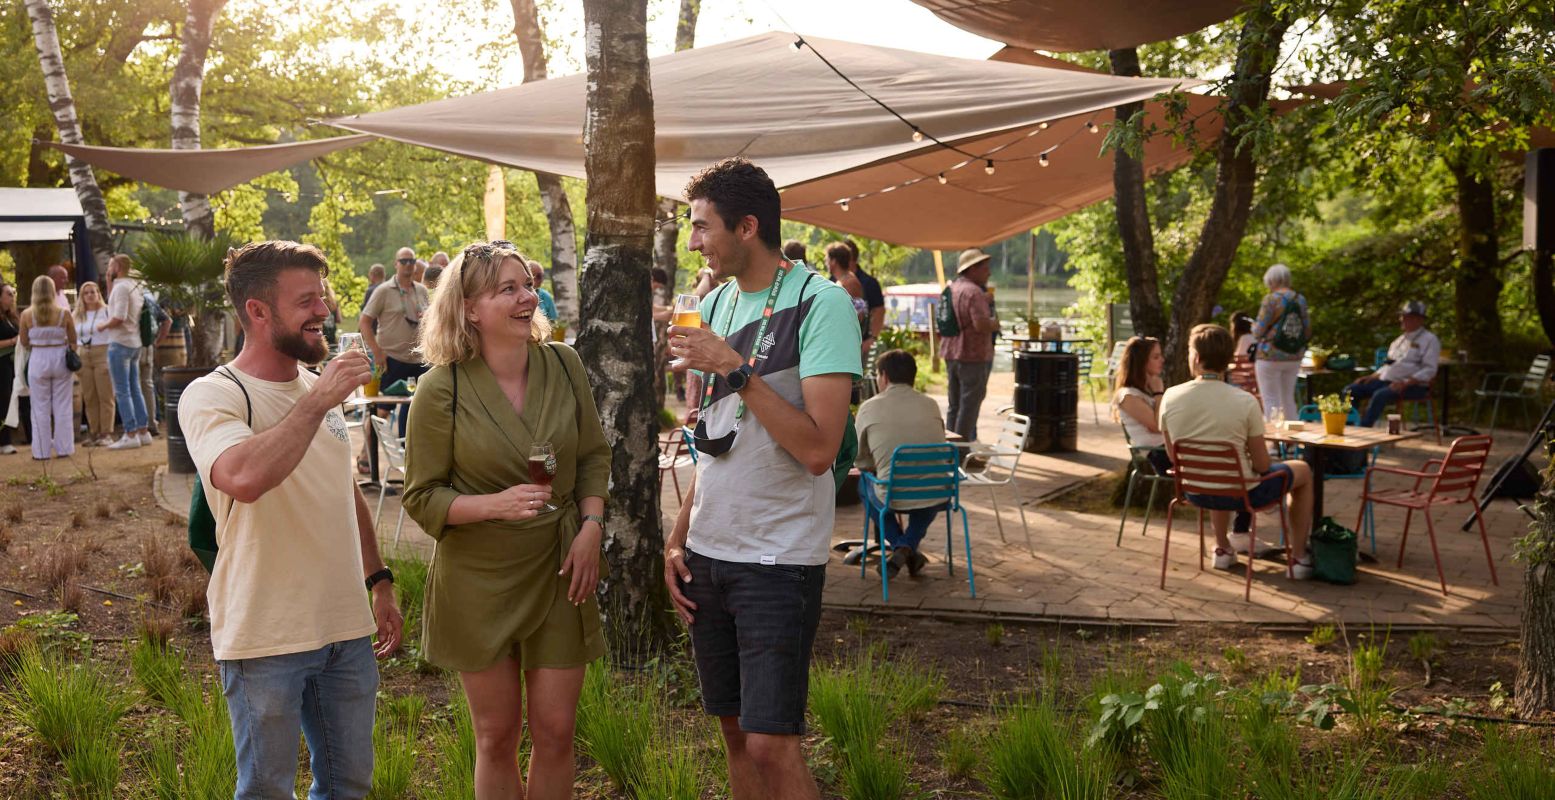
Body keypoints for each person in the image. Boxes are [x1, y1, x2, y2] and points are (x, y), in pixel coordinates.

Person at [664, 157, 861, 800]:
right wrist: (678, 535)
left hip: (777, 558)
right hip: (708, 551)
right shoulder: (712, 301)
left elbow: (817, 451)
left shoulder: (822, 304)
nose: (694, 242)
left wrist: (734, 366)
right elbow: (716, 437)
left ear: (747, 226)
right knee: (736, 737)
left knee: (773, 745)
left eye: (702, 227)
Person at [179, 240, 403, 799]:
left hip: (345, 629)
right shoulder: (213, 395)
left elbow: (342, 491)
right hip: (265, 634)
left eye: (322, 297)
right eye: (307, 300)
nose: (324, 311)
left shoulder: (316, 391)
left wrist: (379, 582)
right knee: (266, 791)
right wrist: (318, 401)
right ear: (258, 311)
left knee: (349, 786)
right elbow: (244, 478)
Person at [401, 241, 610, 799]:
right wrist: (492, 505)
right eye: (507, 290)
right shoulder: (439, 388)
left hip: (562, 566)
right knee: (496, 736)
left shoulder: (565, 364)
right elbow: (421, 496)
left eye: (527, 285)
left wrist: (591, 527)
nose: (527, 297)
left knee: (557, 733)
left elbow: (593, 455)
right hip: (478, 580)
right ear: (470, 308)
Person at [1159, 324, 1313, 578]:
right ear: (1228, 360)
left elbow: (1173, 455)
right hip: (1242, 494)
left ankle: (1222, 548)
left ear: (1196, 357)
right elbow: (1263, 467)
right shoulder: (1245, 401)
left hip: (1193, 489)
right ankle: (1298, 558)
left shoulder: (1170, 396)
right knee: (1303, 471)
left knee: (1220, 475)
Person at [855, 348, 946, 577]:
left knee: (866, 485)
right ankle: (908, 548)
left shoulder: (869, 407)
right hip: (936, 491)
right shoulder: (931, 404)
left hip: (892, 492)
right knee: (927, 491)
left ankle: (900, 545)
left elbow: (861, 460)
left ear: (883, 376)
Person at [361, 246, 431, 432]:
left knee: (417, 410)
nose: (408, 265)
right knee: (381, 412)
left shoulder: (422, 291)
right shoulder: (384, 290)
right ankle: (366, 457)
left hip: (418, 360)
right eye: (404, 261)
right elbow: (365, 322)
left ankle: (406, 452)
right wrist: (376, 352)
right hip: (391, 359)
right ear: (396, 264)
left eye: (411, 261)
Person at [1344, 300, 1440, 427]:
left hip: (1414, 386)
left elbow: (1430, 369)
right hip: (1387, 381)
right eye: (1403, 316)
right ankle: (1348, 427)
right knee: (1350, 390)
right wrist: (1372, 376)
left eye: (1407, 317)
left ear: (1419, 320)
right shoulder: (1398, 341)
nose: (1402, 320)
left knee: (1380, 395)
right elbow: (1388, 365)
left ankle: (1364, 428)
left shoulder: (1430, 340)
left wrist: (1406, 382)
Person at [939, 248, 1000, 441]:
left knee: (954, 405)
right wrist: (995, 323)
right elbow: (980, 324)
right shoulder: (974, 292)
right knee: (969, 407)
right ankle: (962, 452)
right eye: (985, 268)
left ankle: (948, 450)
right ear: (972, 269)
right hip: (972, 356)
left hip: (951, 353)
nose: (988, 273)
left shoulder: (952, 288)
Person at [19, 275, 77, 460]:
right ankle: (64, 448)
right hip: (60, 357)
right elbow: (74, 340)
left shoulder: (27, 315)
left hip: (38, 358)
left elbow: (24, 341)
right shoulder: (64, 313)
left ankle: (41, 451)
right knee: (62, 405)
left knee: (39, 406)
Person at [101, 255, 151, 450]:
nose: (108, 267)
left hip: (120, 342)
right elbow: (113, 304)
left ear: (118, 266)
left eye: (110, 264)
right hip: (134, 342)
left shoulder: (122, 287)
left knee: (122, 390)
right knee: (134, 387)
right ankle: (142, 430)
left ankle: (130, 433)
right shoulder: (133, 285)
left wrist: (101, 326)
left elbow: (118, 316)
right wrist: (108, 281)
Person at [1250, 263, 1309, 422]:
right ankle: (1293, 443)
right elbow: (1307, 330)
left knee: (1271, 400)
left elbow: (1258, 331)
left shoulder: (1270, 300)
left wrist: (1253, 327)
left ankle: (1275, 444)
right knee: (1288, 400)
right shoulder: (1300, 299)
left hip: (1270, 356)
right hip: (1294, 356)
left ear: (1271, 281)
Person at [73, 281, 115, 446]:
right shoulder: (76, 314)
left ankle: (106, 432)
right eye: (86, 293)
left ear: (99, 294)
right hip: (83, 352)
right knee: (89, 395)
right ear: (82, 297)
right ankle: (94, 431)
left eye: (93, 292)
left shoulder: (106, 311)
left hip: (102, 351)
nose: (90, 295)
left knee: (105, 394)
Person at [139, 286, 172, 437]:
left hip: (133, 345)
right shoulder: (148, 295)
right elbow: (167, 321)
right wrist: (156, 342)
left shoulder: (132, 294)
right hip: (148, 345)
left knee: (134, 386)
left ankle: (140, 426)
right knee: (147, 384)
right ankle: (152, 422)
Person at [844, 238, 885, 351]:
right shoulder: (831, 281)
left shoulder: (869, 283)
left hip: (862, 343)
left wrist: (872, 338)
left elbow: (879, 311)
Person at [0, 282, 18, 454]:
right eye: (8, 294)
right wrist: (13, 341)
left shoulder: (11, 317)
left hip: (12, 364)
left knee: (9, 400)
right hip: (2, 363)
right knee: (3, 401)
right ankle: (4, 441)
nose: (12, 297)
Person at [527, 260, 559, 324]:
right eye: (539, 276)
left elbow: (553, 323)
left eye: (542, 276)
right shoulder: (518, 295)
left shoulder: (546, 296)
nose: (542, 279)